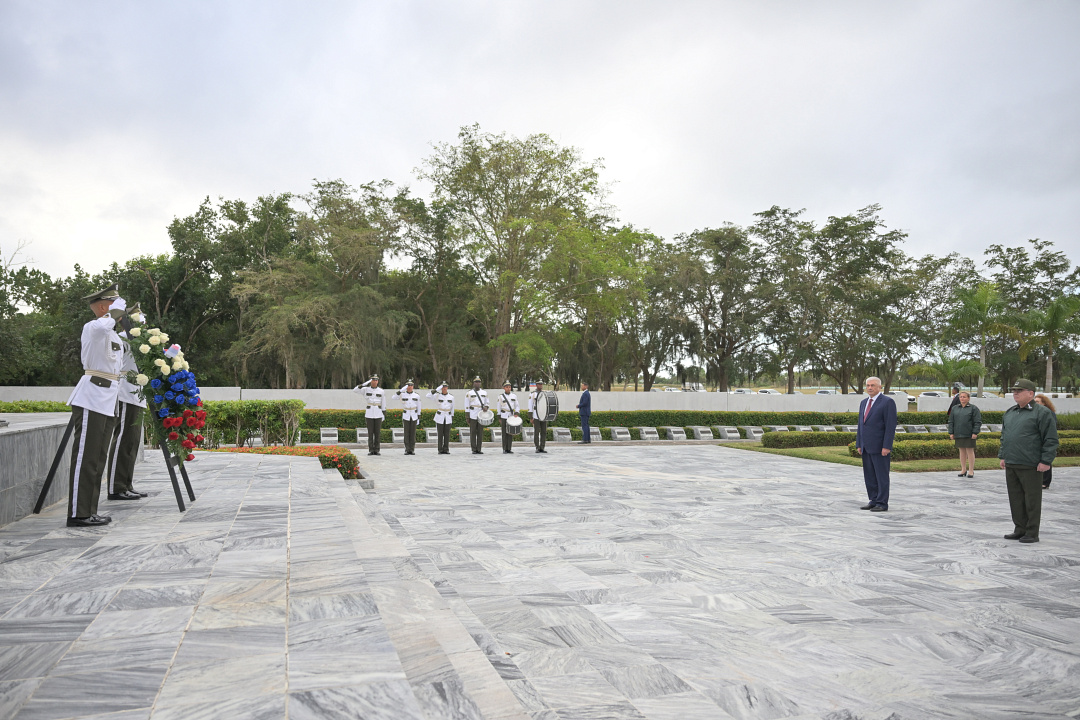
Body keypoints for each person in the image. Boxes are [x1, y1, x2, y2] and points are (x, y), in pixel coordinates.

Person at [64, 284, 126, 527]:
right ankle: (78, 513)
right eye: (113, 303)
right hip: (92, 396)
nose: (119, 309)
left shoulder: (112, 335)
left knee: (98, 458)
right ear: (102, 307)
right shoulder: (93, 327)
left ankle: (88, 511)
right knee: (86, 457)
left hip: (108, 399)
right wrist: (114, 313)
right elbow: (102, 326)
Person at [999, 379, 1058, 543]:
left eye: (1019, 390)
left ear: (1031, 393)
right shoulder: (1011, 412)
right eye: (1014, 390)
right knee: (1015, 499)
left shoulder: (1042, 413)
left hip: (1031, 464)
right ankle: (1020, 529)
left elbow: (1051, 439)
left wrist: (1046, 460)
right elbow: (1005, 436)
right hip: (1012, 462)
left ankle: (1032, 532)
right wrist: (1003, 456)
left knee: (1032, 500)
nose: (1015, 393)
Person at [107, 303, 149, 501]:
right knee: (123, 439)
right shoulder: (122, 338)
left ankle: (126, 484)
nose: (144, 323)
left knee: (132, 441)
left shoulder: (141, 340)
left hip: (138, 393)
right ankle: (116, 487)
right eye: (140, 319)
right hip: (125, 391)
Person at [855, 376, 897, 512]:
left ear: (880, 387)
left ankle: (882, 502)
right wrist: (859, 443)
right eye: (868, 385)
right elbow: (861, 425)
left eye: (873, 385)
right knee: (869, 475)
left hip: (880, 447)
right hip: (866, 446)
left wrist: (887, 446)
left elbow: (890, 426)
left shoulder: (887, 402)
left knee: (881, 476)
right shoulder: (863, 402)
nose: (870, 388)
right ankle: (873, 500)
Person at [947, 390, 982, 479]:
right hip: (958, 433)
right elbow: (951, 421)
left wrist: (975, 432)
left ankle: (971, 470)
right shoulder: (955, 408)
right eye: (961, 397)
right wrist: (951, 432)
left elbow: (977, 422)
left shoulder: (973, 408)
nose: (962, 398)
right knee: (961, 451)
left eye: (964, 397)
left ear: (968, 398)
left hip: (969, 433)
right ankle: (963, 469)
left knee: (970, 451)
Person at [354, 375, 385, 455]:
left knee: (377, 433)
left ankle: (377, 450)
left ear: (378, 381)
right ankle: (371, 450)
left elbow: (383, 402)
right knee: (370, 433)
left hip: (378, 413)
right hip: (369, 413)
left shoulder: (381, 391)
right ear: (371, 381)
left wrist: (383, 413)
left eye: (376, 380)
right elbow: (355, 390)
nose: (375, 381)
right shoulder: (365, 389)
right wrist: (365, 383)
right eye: (373, 380)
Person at [1033, 393, 1057, 489]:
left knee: (1046, 459)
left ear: (1044, 403)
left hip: (1045, 440)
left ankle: (1045, 482)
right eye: (1034, 402)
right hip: (1036, 441)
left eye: (1037, 402)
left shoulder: (1049, 413)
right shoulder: (1035, 413)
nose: (1035, 403)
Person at [427, 382, 454, 454]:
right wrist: (436, 389)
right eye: (443, 387)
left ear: (447, 388)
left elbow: (452, 408)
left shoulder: (451, 397)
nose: (444, 388)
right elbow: (428, 395)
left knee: (447, 434)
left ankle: (446, 449)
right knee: (440, 434)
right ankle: (440, 449)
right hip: (440, 416)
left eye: (445, 387)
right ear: (441, 388)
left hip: (448, 416)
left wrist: (452, 417)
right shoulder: (437, 396)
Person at [396, 379, 421, 455]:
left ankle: (412, 449)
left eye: (411, 385)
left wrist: (418, 417)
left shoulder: (416, 395)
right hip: (406, 415)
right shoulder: (402, 395)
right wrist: (400, 391)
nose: (410, 387)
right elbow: (394, 397)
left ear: (413, 386)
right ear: (406, 386)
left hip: (414, 415)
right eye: (408, 385)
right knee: (406, 433)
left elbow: (419, 407)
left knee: (413, 433)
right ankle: (407, 449)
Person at [464, 376, 488, 454]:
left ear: (480, 383)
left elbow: (487, 402)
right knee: (473, 432)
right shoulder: (469, 393)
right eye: (476, 382)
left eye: (479, 382)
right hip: (473, 413)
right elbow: (466, 405)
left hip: (481, 414)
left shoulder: (484, 393)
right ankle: (474, 449)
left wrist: (486, 407)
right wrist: (467, 416)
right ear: (473, 383)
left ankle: (479, 449)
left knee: (480, 432)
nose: (477, 383)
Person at [496, 380, 520, 454]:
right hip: (504, 415)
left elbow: (517, 406)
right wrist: (499, 417)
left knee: (510, 432)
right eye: (507, 387)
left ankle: (509, 448)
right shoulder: (500, 396)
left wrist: (516, 412)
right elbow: (498, 407)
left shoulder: (514, 396)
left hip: (511, 416)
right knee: (504, 433)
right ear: (504, 388)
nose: (508, 388)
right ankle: (504, 448)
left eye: (509, 387)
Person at [528, 380, 548, 453]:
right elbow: (530, 405)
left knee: (544, 432)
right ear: (536, 385)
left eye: (541, 384)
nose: (540, 385)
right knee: (536, 432)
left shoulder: (544, 393)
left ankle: (542, 447)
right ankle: (537, 447)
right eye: (539, 384)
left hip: (543, 414)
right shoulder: (532, 394)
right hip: (536, 415)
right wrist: (531, 417)